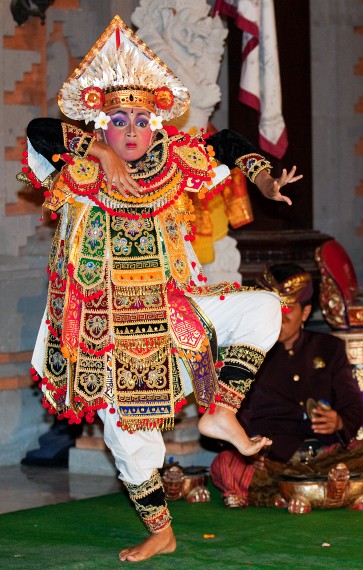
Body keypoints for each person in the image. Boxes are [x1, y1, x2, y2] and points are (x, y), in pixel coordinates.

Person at [23, 16, 302, 562]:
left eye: (143, 119)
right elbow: (38, 129)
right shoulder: (77, 163)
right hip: (103, 325)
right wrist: (98, 154)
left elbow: (223, 140)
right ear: (101, 122)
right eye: (119, 119)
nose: (132, 130)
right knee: (129, 438)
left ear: (156, 125)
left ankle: (220, 408)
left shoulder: (172, 162)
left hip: (175, 309)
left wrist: (263, 174)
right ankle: (161, 528)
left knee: (268, 306)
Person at [210, 263, 363, 508]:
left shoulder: (329, 348)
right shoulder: (244, 353)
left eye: (287, 310)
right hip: (274, 463)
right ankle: (335, 493)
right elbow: (227, 416)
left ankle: (290, 495)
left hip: (329, 459)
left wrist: (338, 421)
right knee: (226, 464)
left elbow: (352, 406)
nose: (277, 317)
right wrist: (248, 446)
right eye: (271, 308)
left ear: (305, 313)